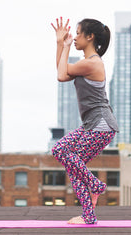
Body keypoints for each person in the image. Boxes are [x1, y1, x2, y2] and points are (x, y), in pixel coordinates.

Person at [50, 17, 119, 225]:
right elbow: (61, 70)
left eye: (78, 33)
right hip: (93, 125)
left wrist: (65, 45)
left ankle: (95, 185)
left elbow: (62, 74)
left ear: (90, 37)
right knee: (72, 164)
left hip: (101, 125)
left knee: (60, 150)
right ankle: (89, 216)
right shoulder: (85, 64)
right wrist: (60, 44)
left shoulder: (92, 63)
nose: (76, 36)